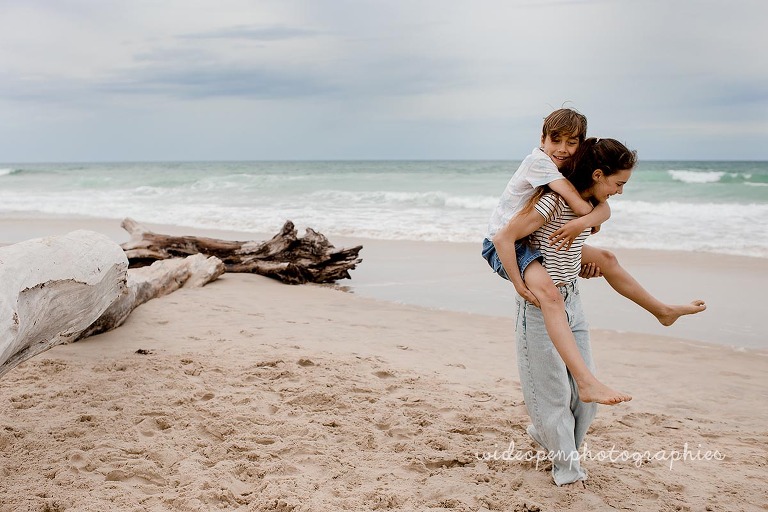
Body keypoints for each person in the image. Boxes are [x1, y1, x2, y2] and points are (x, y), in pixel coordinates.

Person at [482, 109, 706, 406]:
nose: (562, 149)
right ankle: (586, 383)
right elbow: (504, 237)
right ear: (542, 139)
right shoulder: (541, 163)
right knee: (550, 296)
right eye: (555, 140)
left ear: (581, 143)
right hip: (508, 245)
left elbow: (602, 209)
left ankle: (662, 310)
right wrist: (519, 284)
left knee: (607, 259)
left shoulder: (568, 167)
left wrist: (579, 224)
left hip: (533, 239)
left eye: (571, 142)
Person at [493, 138, 637, 485]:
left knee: (587, 402)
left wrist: (579, 265)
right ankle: (567, 469)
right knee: (553, 395)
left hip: (571, 301)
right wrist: (519, 283)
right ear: (599, 174)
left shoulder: (588, 203)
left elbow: (577, 239)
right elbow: (504, 238)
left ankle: (552, 441)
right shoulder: (553, 200)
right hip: (540, 304)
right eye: (618, 184)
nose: (620, 191)